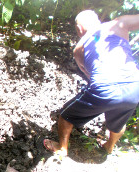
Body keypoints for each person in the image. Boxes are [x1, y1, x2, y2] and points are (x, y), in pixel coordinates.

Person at [44, 10, 139, 156]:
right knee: (118, 122)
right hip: (134, 87)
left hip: (105, 86)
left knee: (65, 116)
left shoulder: (79, 48)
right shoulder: (120, 23)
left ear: (79, 29)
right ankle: (109, 146)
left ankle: (62, 148)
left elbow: (91, 77)